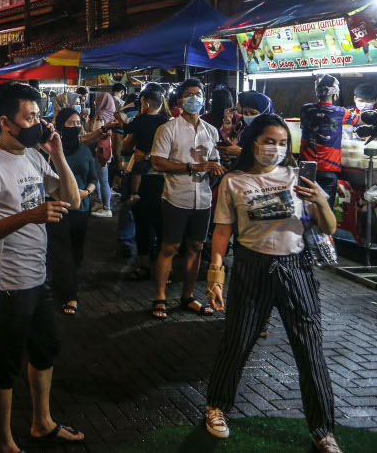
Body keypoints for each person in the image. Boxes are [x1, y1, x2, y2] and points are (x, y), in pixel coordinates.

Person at [203, 114, 341, 453]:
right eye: (269, 141)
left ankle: (322, 431)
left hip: (297, 268)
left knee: (309, 349)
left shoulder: (299, 177)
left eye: (282, 143)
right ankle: (216, 406)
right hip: (251, 267)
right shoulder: (234, 182)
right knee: (238, 340)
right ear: (253, 142)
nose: (275, 149)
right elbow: (222, 231)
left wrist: (320, 200)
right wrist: (215, 275)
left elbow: (329, 227)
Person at [0, 82, 84, 451]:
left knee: (45, 350)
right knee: (5, 365)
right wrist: (28, 216)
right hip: (5, 282)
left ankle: (41, 422)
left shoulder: (34, 155)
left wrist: (59, 155)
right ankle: (3, 441)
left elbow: (72, 201)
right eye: (29, 116)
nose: (39, 122)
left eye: (38, 114)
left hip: (37, 276)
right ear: (6, 122)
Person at [149, 78, 225, 320]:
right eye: (189, 94)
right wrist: (193, 166)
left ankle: (188, 296)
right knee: (170, 247)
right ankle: (160, 296)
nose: (195, 98)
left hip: (202, 199)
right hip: (175, 197)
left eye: (198, 93)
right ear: (180, 100)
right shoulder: (168, 129)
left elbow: (215, 162)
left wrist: (214, 169)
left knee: (197, 247)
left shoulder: (211, 131)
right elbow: (157, 162)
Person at [48, 108, 98, 315]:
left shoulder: (85, 151)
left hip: (81, 209)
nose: (76, 126)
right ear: (60, 126)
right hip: (58, 207)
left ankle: (66, 284)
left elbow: (93, 179)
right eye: (71, 123)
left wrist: (86, 192)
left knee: (75, 253)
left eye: (78, 122)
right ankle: (70, 295)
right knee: (61, 252)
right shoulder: (49, 152)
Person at [121, 85, 169, 281]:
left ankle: (145, 265)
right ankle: (163, 267)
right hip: (164, 179)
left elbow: (126, 145)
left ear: (146, 103)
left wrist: (145, 155)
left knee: (143, 223)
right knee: (160, 224)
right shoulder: (167, 122)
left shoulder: (141, 120)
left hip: (149, 179)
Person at [300, 75, 360, 207]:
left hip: (305, 169)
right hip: (327, 169)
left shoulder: (306, 109)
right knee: (324, 209)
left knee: (305, 208)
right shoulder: (339, 112)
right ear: (335, 93)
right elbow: (360, 120)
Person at [90, 91, 118, 218]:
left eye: (98, 101)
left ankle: (106, 208)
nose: (96, 103)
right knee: (102, 179)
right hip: (108, 151)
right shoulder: (112, 115)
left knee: (102, 180)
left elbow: (96, 134)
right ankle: (102, 203)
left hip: (99, 152)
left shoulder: (100, 116)